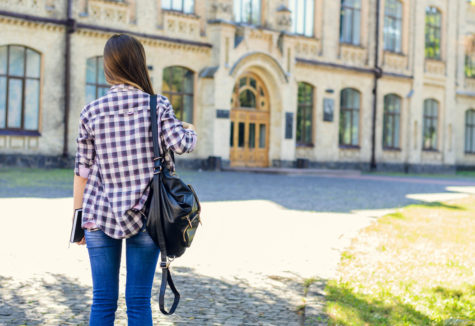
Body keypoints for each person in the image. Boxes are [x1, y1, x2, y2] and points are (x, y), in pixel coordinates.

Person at [72, 33, 197, 326]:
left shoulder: (91, 111)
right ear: (139, 64)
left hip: (99, 215)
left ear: (108, 67)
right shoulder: (157, 106)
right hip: (148, 216)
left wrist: (77, 222)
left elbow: (82, 172)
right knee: (139, 301)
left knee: (102, 300)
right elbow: (183, 144)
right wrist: (190, 128)